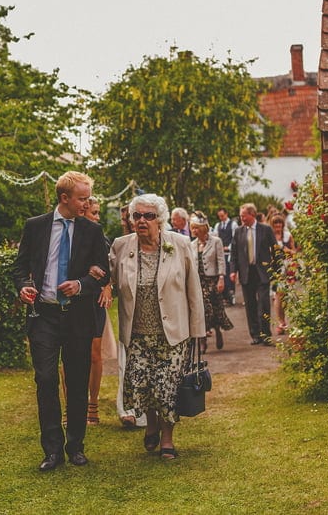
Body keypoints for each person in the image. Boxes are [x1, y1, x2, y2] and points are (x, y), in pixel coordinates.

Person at [13, 171, 110, 471]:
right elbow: (19, 266)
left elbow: (102, 272)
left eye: (88, 198)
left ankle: (76, 446)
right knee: (45, 379)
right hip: (44, 315)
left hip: (78, 317)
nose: (87, 203)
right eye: (83, 198)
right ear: (64, 198)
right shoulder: (36, 226)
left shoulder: (92, 231)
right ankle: (52, 451)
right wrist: (22, 287)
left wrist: (81, 285)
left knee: (77, 381)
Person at [110, 194, 207, 460]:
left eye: (148, 216)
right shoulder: (121, 247)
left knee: (166, 388)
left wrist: (197, 331)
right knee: (141, 385)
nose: (142, 221)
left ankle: (167, 438)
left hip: (172, 333)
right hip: (138, 333)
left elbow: (193, 288)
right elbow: (108, 279)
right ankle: (151, 424)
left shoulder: (179, 244)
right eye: (137, 216)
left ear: (160, 220)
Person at [80, 196, 117, 425]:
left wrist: (107, 286)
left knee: (95, 353)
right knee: (71, 355)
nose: (97, 217)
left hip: (95, 302)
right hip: (74, 300)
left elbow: (109, 268)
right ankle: (72, 405)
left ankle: (92, 405)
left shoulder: (101, 238)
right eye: (94, 213)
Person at [115, 204, 147, 429]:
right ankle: (126, 409)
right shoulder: (120, 245)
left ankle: (145, 414)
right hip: (129, 315)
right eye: (130, 217)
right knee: (126, 364)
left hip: (153, 316)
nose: (134, 220)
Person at [230, 203, 278, 345]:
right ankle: (255, 335)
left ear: (252, 214)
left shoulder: (266, 229)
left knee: (263, 304)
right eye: (241, 216)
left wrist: (275, 267)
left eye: (243, 216)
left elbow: (275, 249)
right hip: (246, 272)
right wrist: (233, 271)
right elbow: (234, 253)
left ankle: (266, 335)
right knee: (250, 305)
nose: (241, 218)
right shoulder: (238, 231)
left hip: (262, 271)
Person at [190, 212, 233, 350]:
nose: (193, 231)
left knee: (216, 309)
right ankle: (202, 339)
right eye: (192, 228)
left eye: (196, 228)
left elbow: (221, 260)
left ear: (203, 228)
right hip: (199, 282)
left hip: (213, 280)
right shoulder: (192, 245)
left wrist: (221, 278)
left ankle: (217, 330)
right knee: (203, 310)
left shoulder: (216, 241)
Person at [270, 214, 297, 335]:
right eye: (275, 225)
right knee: (278, 295)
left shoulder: (288, 236)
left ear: (282, 225)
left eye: (279, 224)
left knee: (284, 296)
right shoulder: (270, 237)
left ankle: (283, 320)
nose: (277, 227)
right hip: (275, 268)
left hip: (287, 267)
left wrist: (288, 251)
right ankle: (280, 322)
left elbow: (294, 252)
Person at [213, 207, 238, 305]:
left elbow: (235, 237)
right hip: (221, 253)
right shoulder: (218, 225)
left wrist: (229, 247)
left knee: (229, 274)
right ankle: (224, 296)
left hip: (229, 252)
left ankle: (231, 295)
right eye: (219, 216)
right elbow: (216, 236)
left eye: (222, 216)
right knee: (222, 274)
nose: (221, 218)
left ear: (226, 214)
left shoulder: (233, 224)